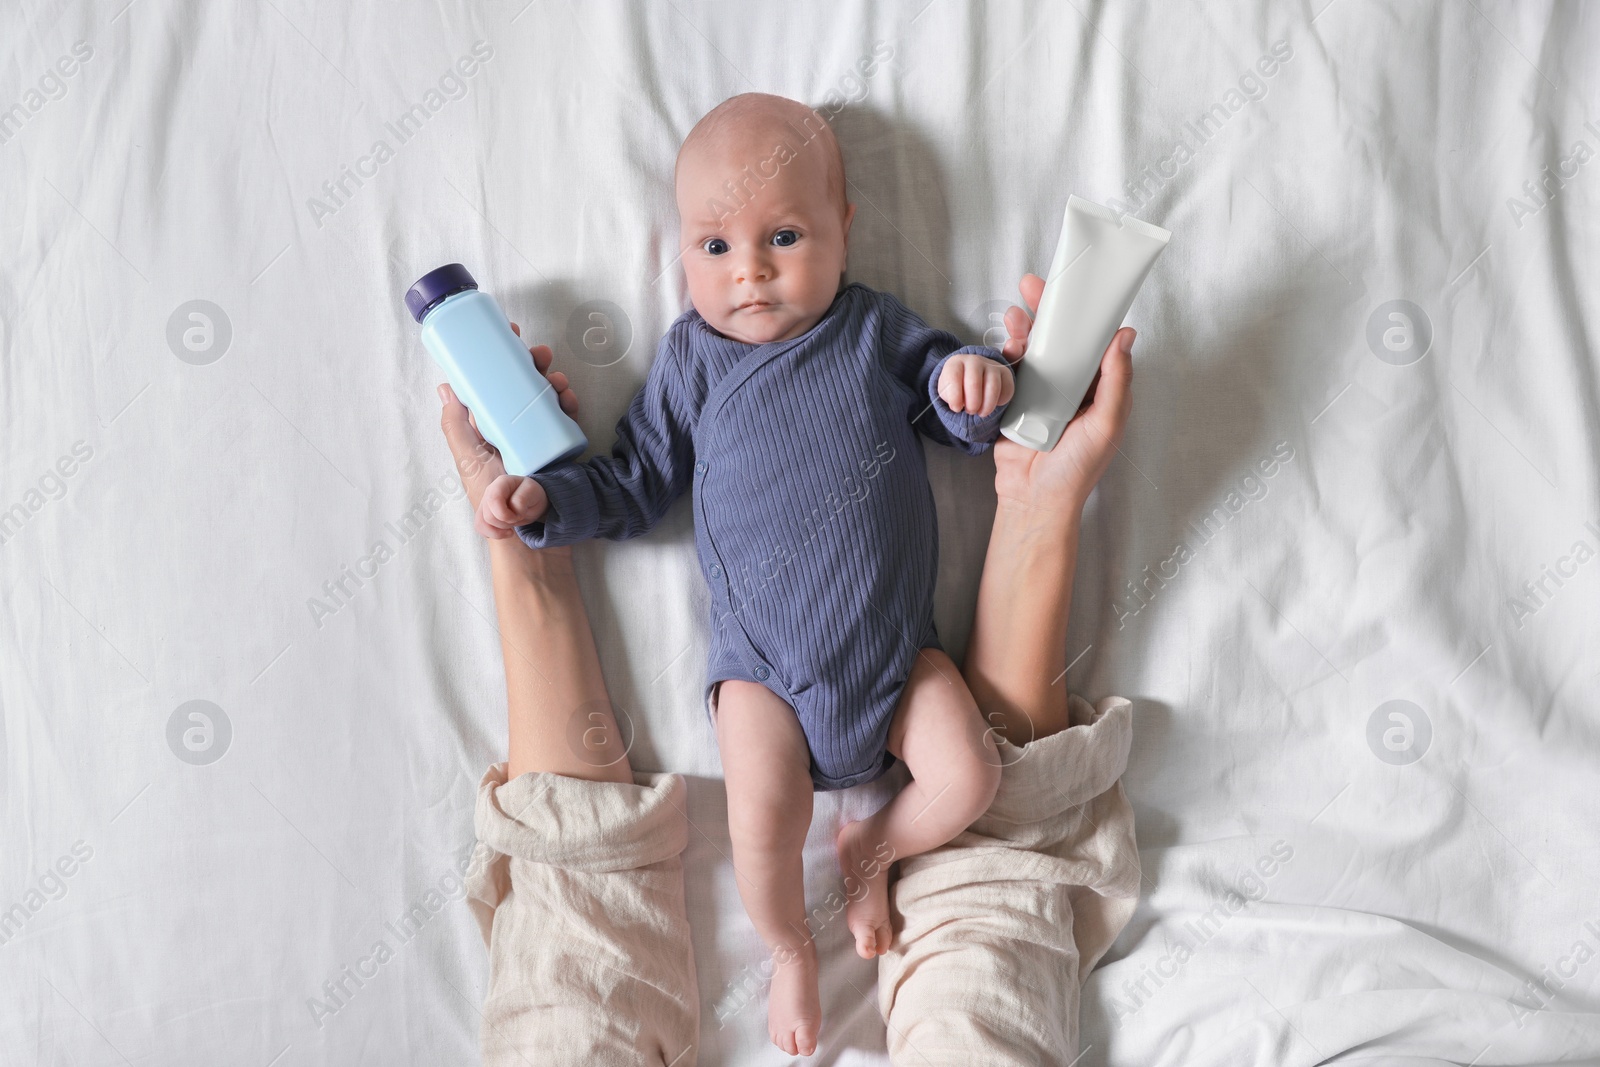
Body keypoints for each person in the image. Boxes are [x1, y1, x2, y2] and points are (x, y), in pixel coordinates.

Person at [450, 292, 1142, 1065]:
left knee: (974, 773)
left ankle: (873, 847)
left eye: (784, 235)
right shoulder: (693, 360)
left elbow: (949, 400)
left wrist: (976, 387)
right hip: (763, 677)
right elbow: (636, 481)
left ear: (841, 229)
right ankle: (789, 949)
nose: (750, 270)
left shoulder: (873, 330)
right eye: (715, 246)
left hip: (900, 660)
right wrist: (544, 504)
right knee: (761, 825)